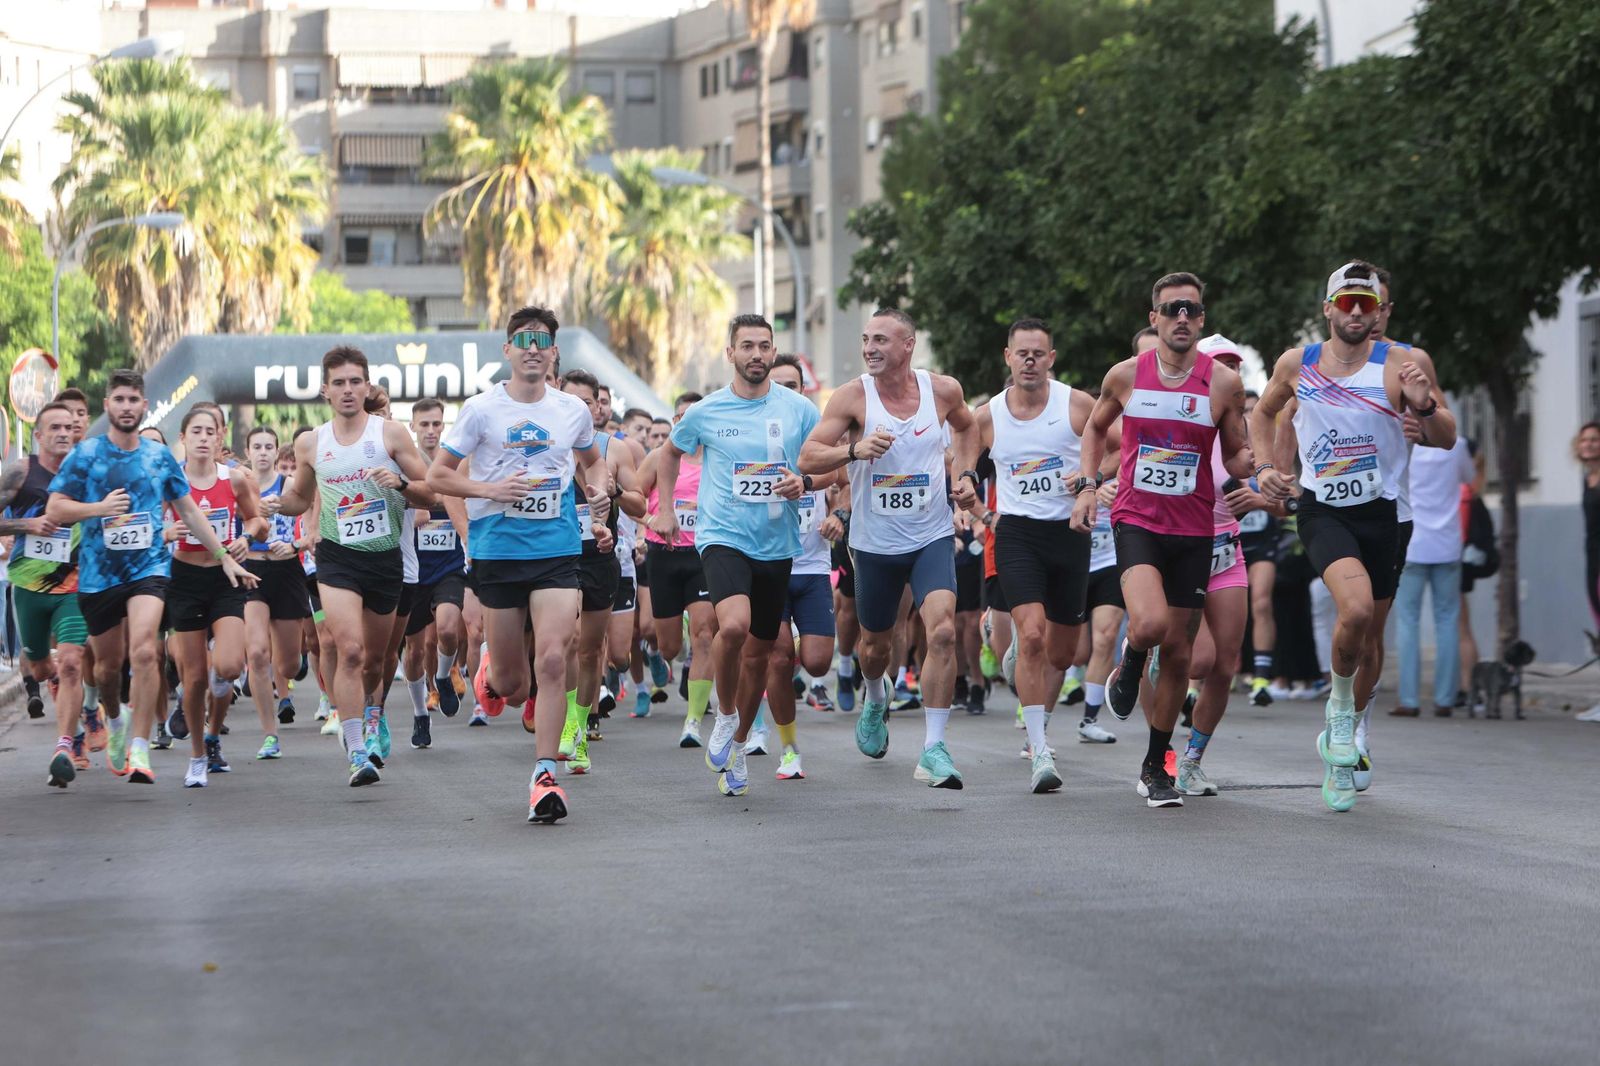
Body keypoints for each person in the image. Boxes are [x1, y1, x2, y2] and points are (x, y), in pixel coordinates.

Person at [1251, 261, 1455, 812]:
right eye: (1349, 302)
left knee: (1369, 637)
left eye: (1370, 302)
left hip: (1388, 512)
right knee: (1356, 609)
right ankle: (1341, 718)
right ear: (1329, 308)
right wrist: (1268, 469)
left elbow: (1445, 436)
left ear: (1383, 308)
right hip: (1324, 510)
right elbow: (1270, 415)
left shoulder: (1406, 363)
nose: (1360, 311)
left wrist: (1424, 409)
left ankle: (1352, 733)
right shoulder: (1299, 363)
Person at [1069, 273, 1254, 808]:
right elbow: (1094, 429)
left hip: (1194, 531)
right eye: (1172, 309)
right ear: (1154, 318)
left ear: (1202, 319)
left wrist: (1261, 469)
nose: (1182, 318)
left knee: (1177, 656)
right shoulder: (1127, 375)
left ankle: (1156, 766)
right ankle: (1129, 660)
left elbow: (1236, 452)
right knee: (1150, 626)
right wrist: (1087, 487)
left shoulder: (1223, 384)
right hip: (1138, 522)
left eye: (1191, 310)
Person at [427, 307, 611, 822]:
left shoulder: (571, 410)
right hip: (497, 552)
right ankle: (492, 668)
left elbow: (593, 460)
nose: (533, 349)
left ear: (554, 353)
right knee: (513, 687)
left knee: (553, 658)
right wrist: (488, 489)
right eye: (523, 340)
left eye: (542, 341)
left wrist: (597, 491)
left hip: (556, 550)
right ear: (507, 350)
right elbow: (438, 476)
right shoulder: (481, 410)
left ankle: (545, 776)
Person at [46, 369, 256, 786]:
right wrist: (97, 509)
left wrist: (222, 555)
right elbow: (55, 509)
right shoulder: (86, 454)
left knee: (145, 650)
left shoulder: (158, 457)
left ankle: (140, 746)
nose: (126, 407)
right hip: (100, 574)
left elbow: (189, 511)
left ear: (144, 406)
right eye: (119, 399)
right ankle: (115, 717)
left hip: (150, 569)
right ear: (107, 405)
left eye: (133, 400)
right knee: (107, 669)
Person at [801, 308, 976, 790]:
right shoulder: (853, 396)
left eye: (880, 339)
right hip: (874, 544)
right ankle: (876, 696)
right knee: (876, 647)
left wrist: (964, 474)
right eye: (865, 340)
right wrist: (853, 451)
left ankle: (934, 748)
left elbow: (968, 428)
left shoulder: (943, 390)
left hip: (930, 535)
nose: (870, 348)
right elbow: (808, 456)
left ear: (908, 344)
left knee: (942, 631)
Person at [654, 317, 825, 797]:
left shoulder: (799, 409)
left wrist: (805, 482)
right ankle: (725, 715)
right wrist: (665, 509)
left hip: (777, 544)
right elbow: (668, 454)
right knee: (732, 627)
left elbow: (828, 465)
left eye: (764, 346)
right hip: (722, 536)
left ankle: (740, 744)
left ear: (773, 351)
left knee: (759, 656)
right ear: (730, 353)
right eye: (747, 346)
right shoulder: (706, 411)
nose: (756, 354)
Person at [953, 317, 1105, 793]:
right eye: (1022, 354)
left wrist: (1089, 481)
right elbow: (964, 450)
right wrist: (968, 486)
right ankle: (1039, 749)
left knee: (1064, 652)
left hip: (1069, 534)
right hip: (1016, 533)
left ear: (1051, 358)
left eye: (1039, 353)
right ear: (1009, 357)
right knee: (1035, 635)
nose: (1031, 361)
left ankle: (1023, 650)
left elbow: (1119, 445)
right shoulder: (989, 415)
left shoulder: (1076, 405)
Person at [276, 348, 436, 788]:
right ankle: (355, 750)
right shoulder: (312, 443)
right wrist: (272, 504)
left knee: (375, 661)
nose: (347, 390)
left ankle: (372, 714)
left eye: (354, 382)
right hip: (337, 559)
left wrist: (400, 483)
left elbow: (431, 493)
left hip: (384, 559)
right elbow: (299, 498)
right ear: (325, 391)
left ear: (366, 387)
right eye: (339, 383)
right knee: (348, 650)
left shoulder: (391, 434)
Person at [164, 406, 269, 785]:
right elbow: (150, 524)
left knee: (228, 667)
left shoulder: (235, 479)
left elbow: (258, 521)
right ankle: (197, 755)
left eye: (210, 432)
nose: (203, 438)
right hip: (185, 579)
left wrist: (245, 538)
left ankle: (212, 733)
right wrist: (166, 534)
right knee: (194, 680)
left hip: (226, 578)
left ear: (220, 437)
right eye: (196, 431)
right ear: (183, 438)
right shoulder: (171, 481)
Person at [0, 403, 89, 787]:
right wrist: (28, 524)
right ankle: (48, 677)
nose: (64, 433)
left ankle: (65, 746)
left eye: (69, 427)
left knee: (71, 662)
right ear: (38, 436)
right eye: (55, 427)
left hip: (75, 587)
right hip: (29, 587)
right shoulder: (21, 472)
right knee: (39, 668)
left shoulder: (86, 471)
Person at [763, 352, 841, 780]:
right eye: (778, 385)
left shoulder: (819, 434)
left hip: (812, 567)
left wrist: (838, 514)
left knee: (816, 663)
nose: (785, 393)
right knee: (778, 659)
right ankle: (789, 749)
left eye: (792, 385)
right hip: (770, 564)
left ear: (803, 390)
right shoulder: (754, 433)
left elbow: (844, 480)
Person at [556, 369, 638, 773]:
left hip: (601, 557)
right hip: (558, 559)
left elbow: (640, 504)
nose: (578, 408)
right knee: (569, 640)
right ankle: (567, 724)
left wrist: (614, 491)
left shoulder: (614, 450)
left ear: (597, 406)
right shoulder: (546, 448)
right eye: (569, 401)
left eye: (586, 402)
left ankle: (579, 724)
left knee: (591, 651)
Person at [636, 393, 717, 747]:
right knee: (669, 648)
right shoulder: (659, 457)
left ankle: (693, 721)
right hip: (664, 554)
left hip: (704, 555)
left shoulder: (716, 457)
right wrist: (651, 520)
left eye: (694, 415)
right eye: (681, 416)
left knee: (705, 636)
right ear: (674, 421)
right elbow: (633, 497)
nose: (688, 421)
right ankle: (674, 637)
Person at [403, 398, 470, 748]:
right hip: (413, 569)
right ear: (413, 426)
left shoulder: (454, 461)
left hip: (449, 566)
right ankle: (420, 713)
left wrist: (435, 499)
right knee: (415, 651)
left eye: (436, 424)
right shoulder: (403, 462)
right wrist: (417, 503)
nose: (430, 430)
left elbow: (465, 496)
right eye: (424, 424)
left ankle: (443, 676)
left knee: (447, 629)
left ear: (444, 426)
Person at [241, 425, 313, 749]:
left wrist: (295, 545)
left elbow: (312, 525)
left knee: (289, 665)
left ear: (276, 451)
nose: (263, 453)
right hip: (251, 570)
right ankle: (270, 734)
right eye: (257, 447)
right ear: (248, 452)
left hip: (287, 571)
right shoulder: (238, 485)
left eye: (268, 447)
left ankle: (288, 664)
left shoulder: (290, 486)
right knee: (257, 653)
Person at [1392, 436, 1475, 717]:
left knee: (1408, 621)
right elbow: (1469, 479)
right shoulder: (1455, 444)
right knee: (1448, 620)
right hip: (1447, 543)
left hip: (1411, 544)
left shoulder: (1402, 441)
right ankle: (1445, 698)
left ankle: (1409, 699)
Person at [1577, 423, 1600, 721]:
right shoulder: (1587, 479)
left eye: (1595, 440)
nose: (1590, 444)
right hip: (1592, 559)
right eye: (1585, 440)